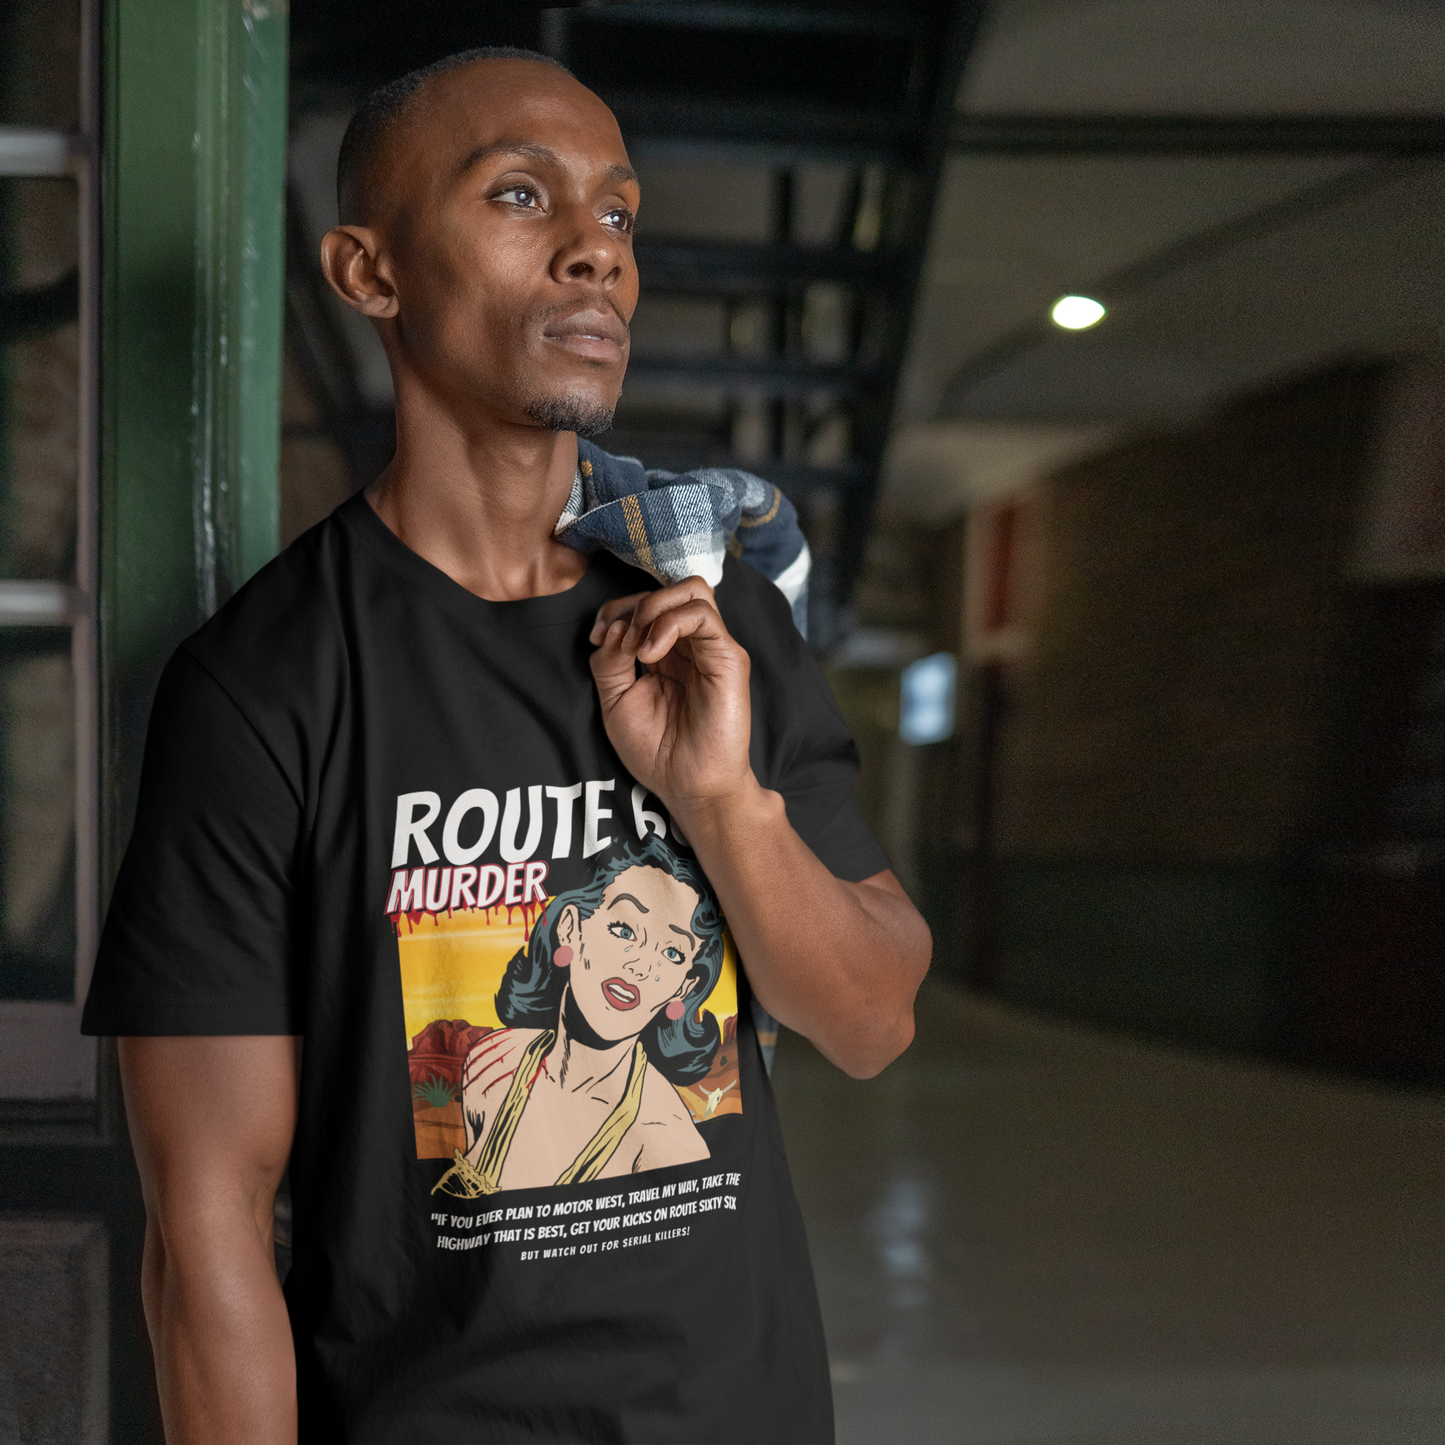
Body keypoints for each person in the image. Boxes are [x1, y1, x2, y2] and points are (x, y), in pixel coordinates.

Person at [83, 45, 930, 1445]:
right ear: (370, 273)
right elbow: (206, 1221)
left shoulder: (711, 621)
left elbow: (869, 1019)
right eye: (522, 197)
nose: (596, 252)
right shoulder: (262, 686)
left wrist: (718, 800)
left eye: (618, 212)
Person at [438, 833, 725, 1198]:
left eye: (672, 954)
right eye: (624, 929)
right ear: (570, 928)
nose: (640, 965)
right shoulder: (489, 1062)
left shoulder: (670, 1142)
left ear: (684, 987)